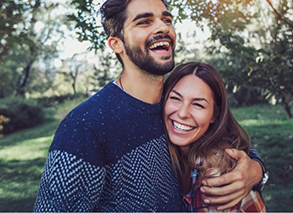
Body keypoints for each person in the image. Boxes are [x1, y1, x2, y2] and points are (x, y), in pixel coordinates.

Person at [33, 0, 267, 211]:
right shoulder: (86, 126)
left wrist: (256, 170)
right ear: (116, 44)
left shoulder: (177, 105)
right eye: (144, 21)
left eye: (167, 20)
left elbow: (224, 142)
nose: (163, 27)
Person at [163, 61, 266, 212]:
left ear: (214, 114)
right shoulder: (162, 150)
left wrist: (258, 169)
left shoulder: (217, 171)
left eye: (198, 104)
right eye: (175, 98)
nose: (183, 113)